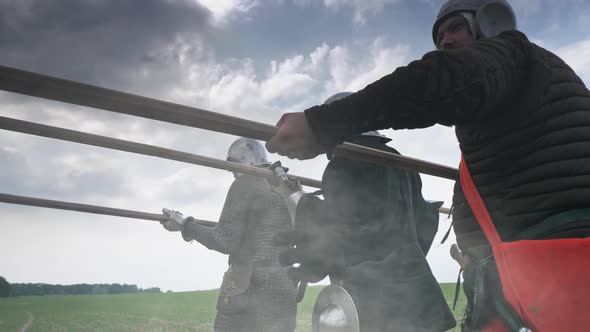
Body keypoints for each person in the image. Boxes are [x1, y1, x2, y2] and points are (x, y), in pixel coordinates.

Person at [266, 0, 590, 331]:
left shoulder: (512, 55)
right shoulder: (513, 105)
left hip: (558, 272)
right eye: (438, 37)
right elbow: (417, 225)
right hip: (521, 275)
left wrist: (322, 124)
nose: (445, 41)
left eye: (455, 28)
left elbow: (440, 78)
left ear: (491, 23)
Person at [273, 92, 456, 332]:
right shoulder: (404, 166)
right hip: (417, 294)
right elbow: (425, 221)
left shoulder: (346, 162)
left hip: (374, 299)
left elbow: (334, 228)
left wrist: (294, 195)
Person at [161, 138, 297, 332]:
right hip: (285, 288)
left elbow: (224, 239)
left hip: (250, 288)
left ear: (249, 162)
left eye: (234, 164)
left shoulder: (246, 183)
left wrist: (184, 224)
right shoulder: (289, 185)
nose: (232, 172)